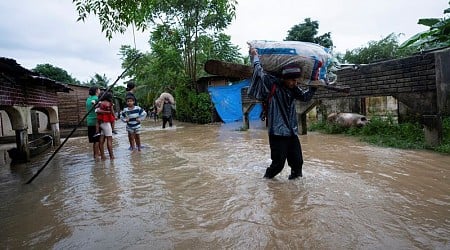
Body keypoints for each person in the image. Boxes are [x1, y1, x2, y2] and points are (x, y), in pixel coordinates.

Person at [248, 46, 317, 180]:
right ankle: (266, 181)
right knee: (278, 165)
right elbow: (259, 71)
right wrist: (255, 56)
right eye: (291, 80)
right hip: (277, 132)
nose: (294, 82)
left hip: (291, 132)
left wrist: (314, 87)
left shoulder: (294, 89)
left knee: (298, 163)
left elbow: (305, 97)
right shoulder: (272, 85)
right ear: (284, 78)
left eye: (296, 80)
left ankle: (295, 190)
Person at [96, 91, 115, 160]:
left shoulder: (100, 103)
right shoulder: (110, 104)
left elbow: (96, 109)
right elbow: (112, 112)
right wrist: (115, 117)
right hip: (106, 123)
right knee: (109, 140)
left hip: (101, 123)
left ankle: (103, 156)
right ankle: (111, 156)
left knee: (101, 140)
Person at [86, 86, 101, 160]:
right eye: (99, 89)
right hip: (96, 121)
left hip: (89, 121)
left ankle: (95, 154)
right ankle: (97, 156)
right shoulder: (96, 98)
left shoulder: (88, 99)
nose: (100, 91)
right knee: (97, 140)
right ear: (96, 91)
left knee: (94, 139)